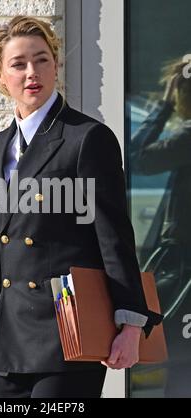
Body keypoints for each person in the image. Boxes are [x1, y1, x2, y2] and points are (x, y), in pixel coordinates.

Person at [0, 15, 162, 399]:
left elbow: (113, 238)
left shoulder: (87, 138)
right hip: (10, 337)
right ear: (0, 75)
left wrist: (131, 324)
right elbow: (2, 243)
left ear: (56, 65)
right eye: (19, 64)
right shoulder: (1, 145)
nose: (33, 72)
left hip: (67, 333)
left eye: (42, 59)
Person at [131, 58, 191, 397]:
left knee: (181, 370)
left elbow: (138, 155)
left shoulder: (188, 136)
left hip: (184, 267)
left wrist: (163, 107)